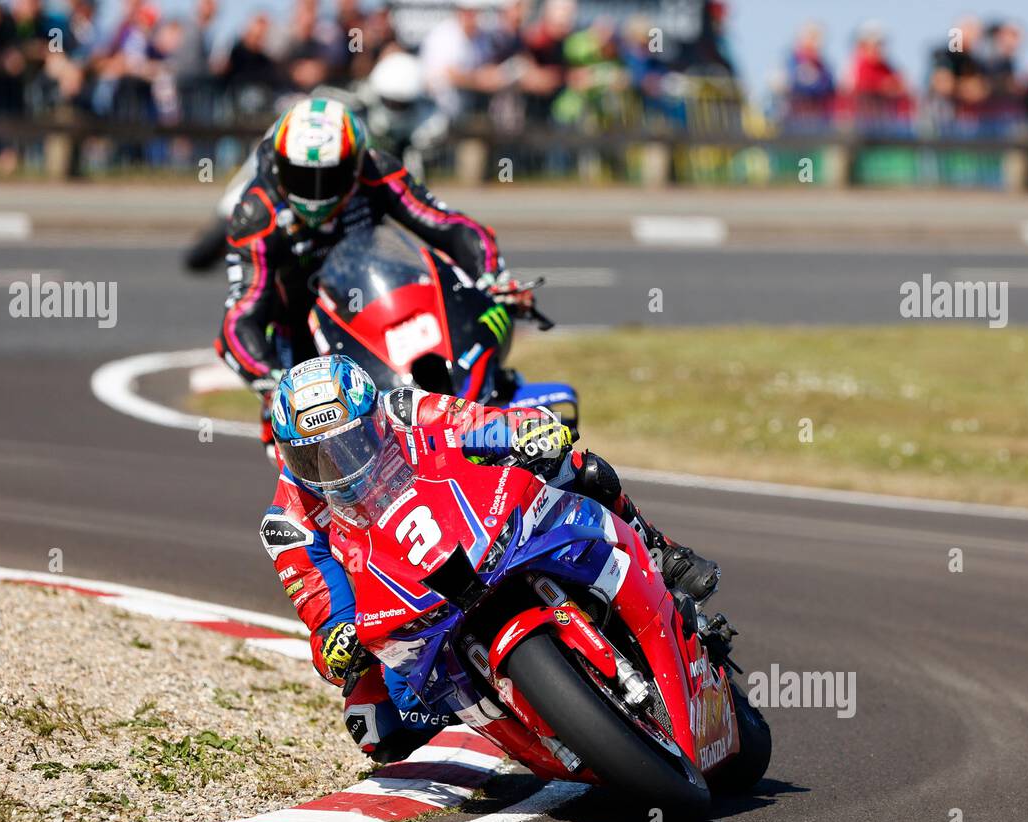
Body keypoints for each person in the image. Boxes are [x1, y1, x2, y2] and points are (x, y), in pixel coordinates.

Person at [262, 355, 724, 762]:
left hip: (477, 529)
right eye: (312, 458)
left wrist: (528, 430)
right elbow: (324, 616)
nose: (335, 467)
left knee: (575, 467)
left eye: (349, 444)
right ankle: (518, 718)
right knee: (373, 725)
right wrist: (338, 646)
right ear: (285, 453)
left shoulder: (403, 410)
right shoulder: (289, 523)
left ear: (374, 420)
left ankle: (662, 551)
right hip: (404, 604)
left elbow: (479, 422)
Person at [215, 96, 510, 452]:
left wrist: (492, 276)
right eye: (302, 178)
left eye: (330, 177)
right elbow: (239, 319)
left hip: (377, 303)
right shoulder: (257, 215)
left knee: (475, 366)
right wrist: (271, 378)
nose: (316, 194)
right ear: (278, 168)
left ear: (354, 166)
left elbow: (450, 226)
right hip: (301, 332)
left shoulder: (376, 171)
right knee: (303, 446)